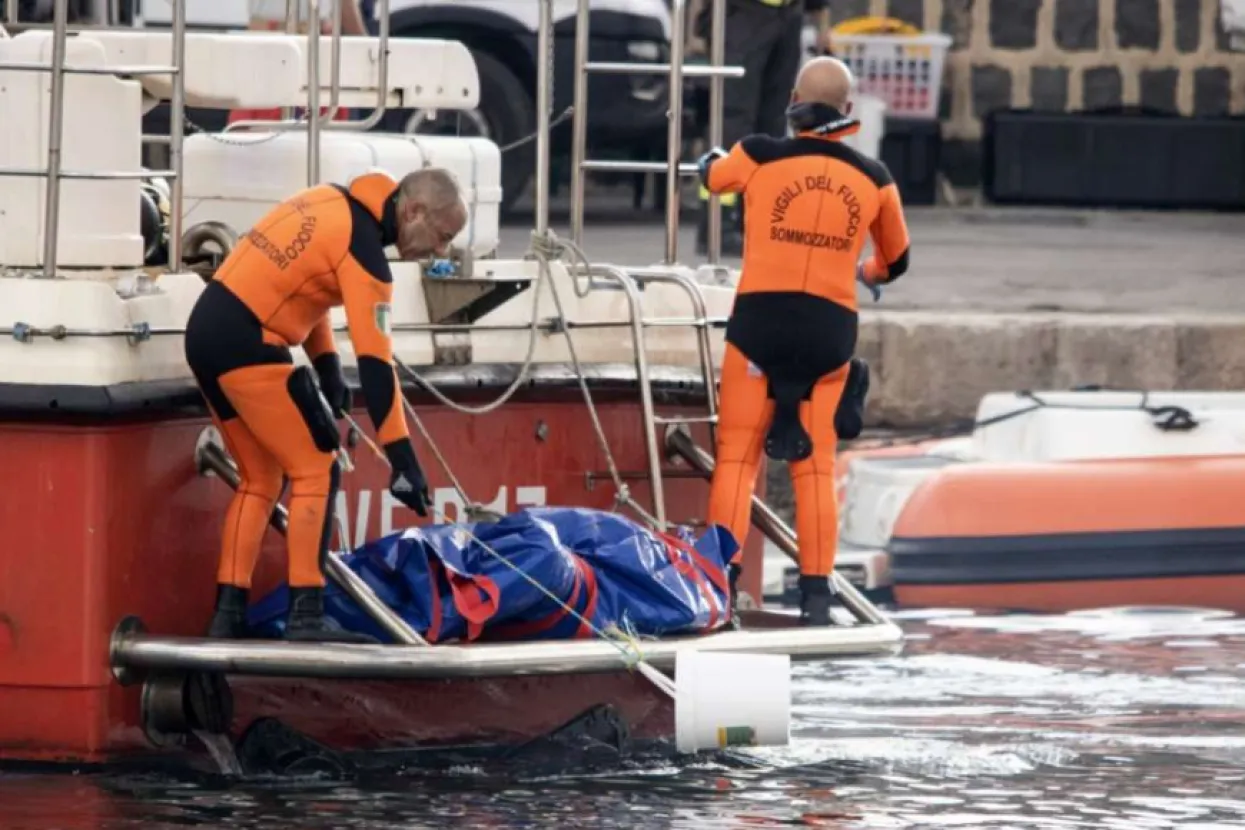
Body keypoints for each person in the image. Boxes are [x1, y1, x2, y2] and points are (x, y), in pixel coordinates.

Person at [185, 167, 469, 643]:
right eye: (442, 237)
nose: (440, 252)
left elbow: (304, 286)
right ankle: (306, 616)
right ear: (414, 210)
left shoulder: (329, 203)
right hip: (248, 342)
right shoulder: (366, 257)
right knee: (318, 468)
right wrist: (402, 459)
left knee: (260, 479)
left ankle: (227, 616)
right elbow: (379, 366)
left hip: (207, 332)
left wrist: (328, 368)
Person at [698, 57, 910, 626]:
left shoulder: (759, 153)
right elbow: (897, 260)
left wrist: (710, 164)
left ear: (793, 99)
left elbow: (711, 178)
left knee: (737, 460)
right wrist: (867, 272)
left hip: (758, 326)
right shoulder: (875, 178)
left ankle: (721, 589)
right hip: (827, 335)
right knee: (815, 468)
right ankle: (817, 598)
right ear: (848, 111)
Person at [693, 0, 830, 257]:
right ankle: (717, 222)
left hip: (787, 14)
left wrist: (821, 16)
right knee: (731, 122)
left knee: (773, 125)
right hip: (740, 14)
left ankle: (760, 220)